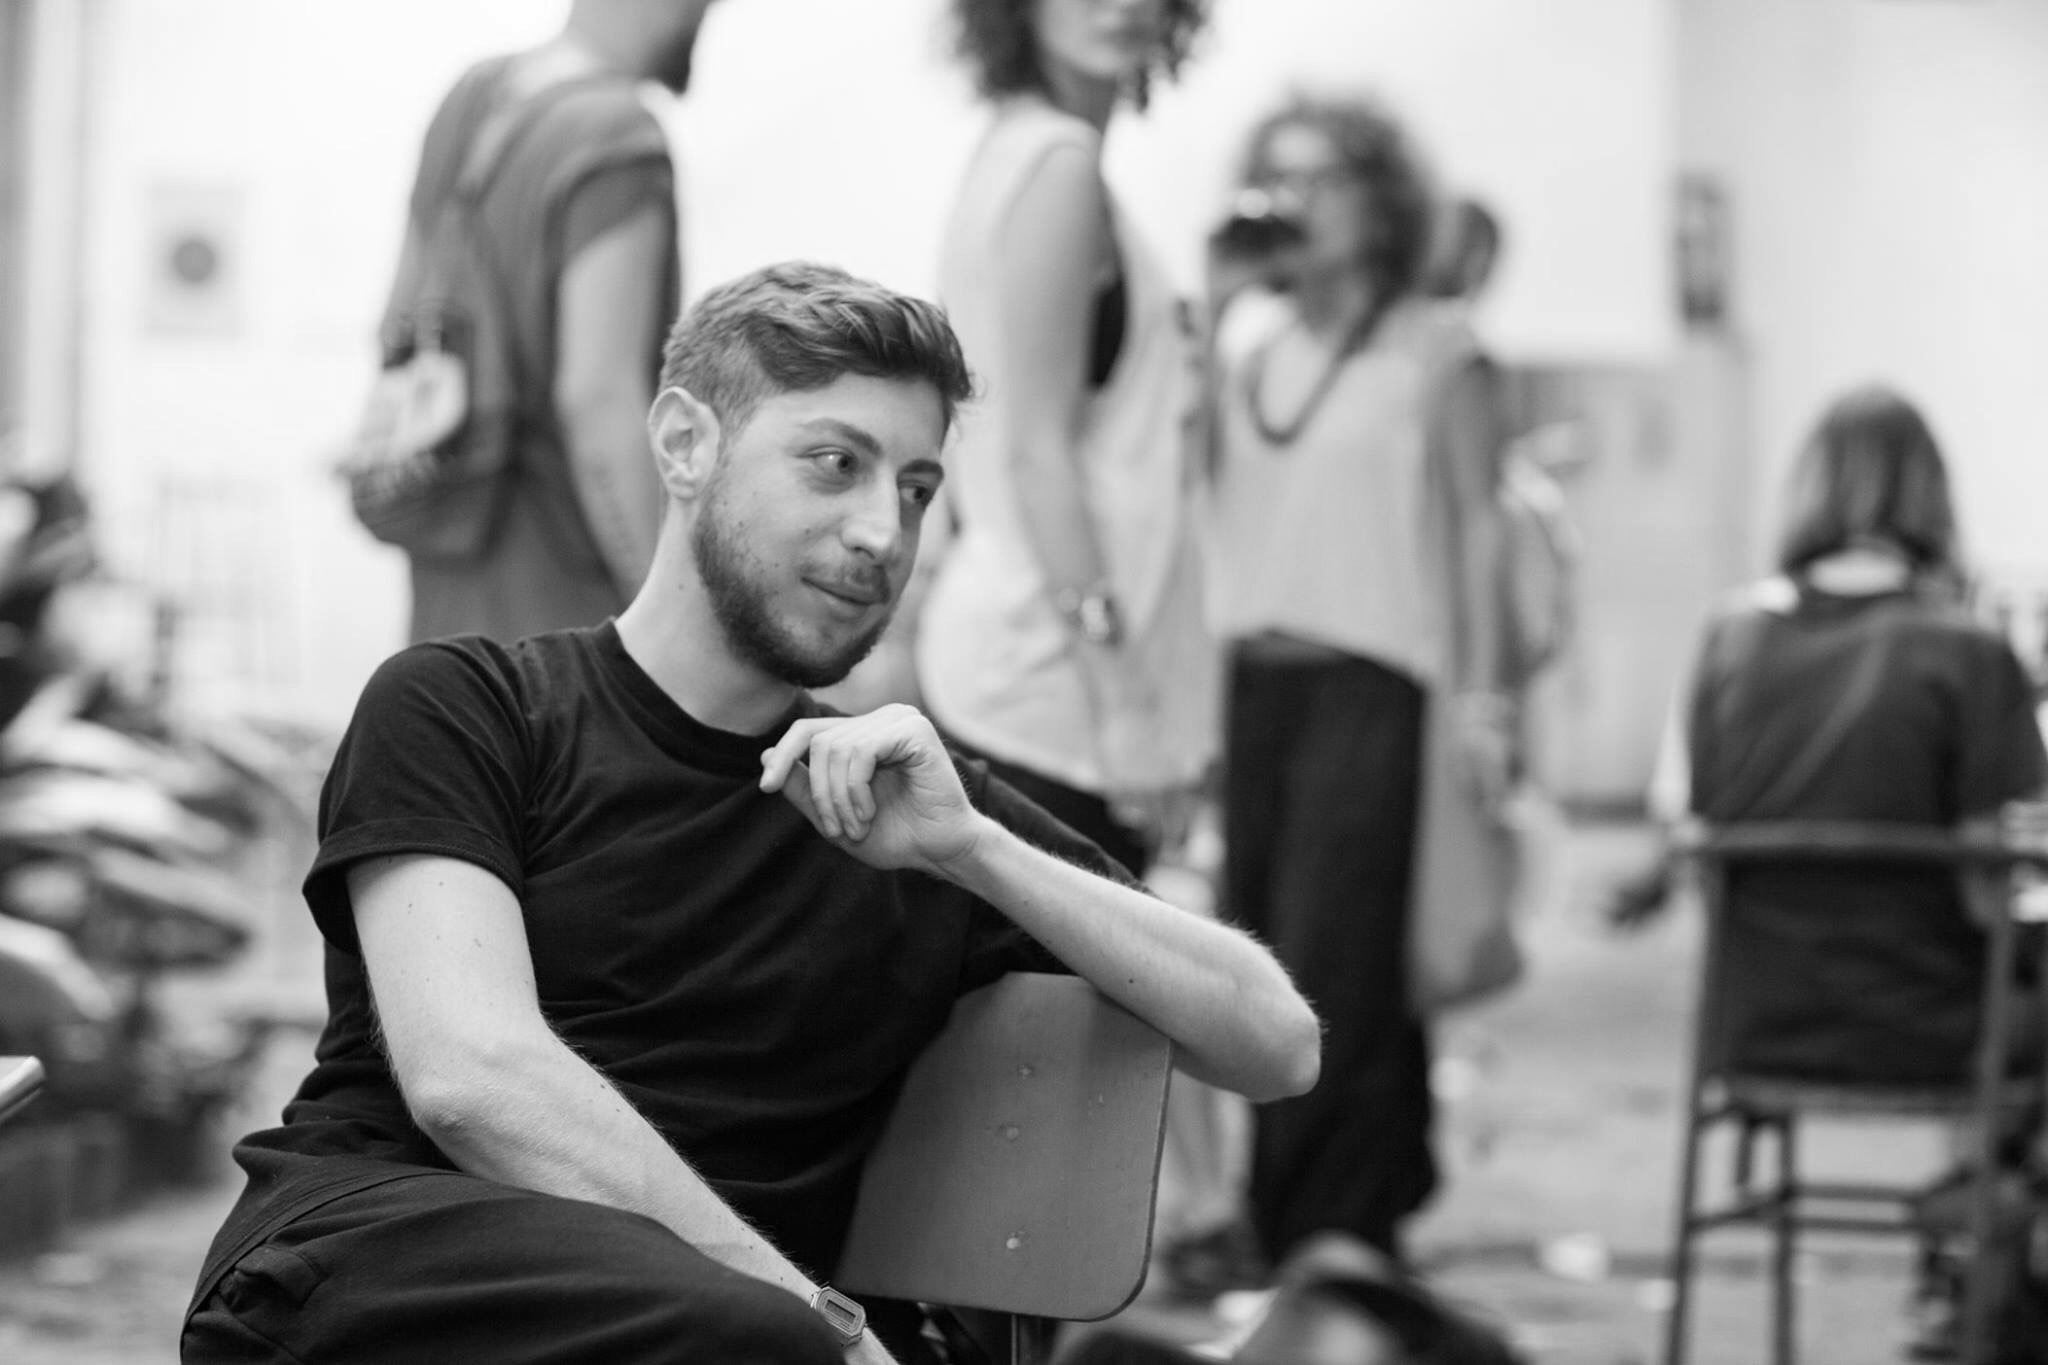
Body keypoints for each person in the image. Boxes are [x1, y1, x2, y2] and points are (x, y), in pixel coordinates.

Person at [181, 263, 1321, 1365]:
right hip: (375, 1274)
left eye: (917, 490)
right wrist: (824, 1324)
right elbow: (473, 1080)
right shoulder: (467, 706)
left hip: (714, 1336)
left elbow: (1276, 1042)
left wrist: (974, 851)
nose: (883, 533)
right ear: (686, 444)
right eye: (835, 464)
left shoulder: (910, 810)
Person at [1640, 385, 2048, 1358]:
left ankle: (1977, 1243)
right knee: (2026, 997)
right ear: (1934, 499)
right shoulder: (1968, 652)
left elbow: (1688, 826)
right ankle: (1985, 1248)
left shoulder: (1727, 635)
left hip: (1754, 1024)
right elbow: (1990, 894)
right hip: (1933, 1030)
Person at [1202, 95, 1513, 1268]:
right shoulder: (1249, 349)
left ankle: (1329, 1228)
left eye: (1322, 178)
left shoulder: (1436, 347)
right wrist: (1216, 297)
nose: (1296, 203)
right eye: (1275, 178)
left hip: (1373, 680)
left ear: (1381, 200)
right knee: (1262, 949)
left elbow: (1479, 529)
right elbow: (1174, 485)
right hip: (1252, 683)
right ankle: (1326, 1207)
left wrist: (1484, 701)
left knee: (1335, 958)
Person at [914, 0, 1217, 879]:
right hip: (1052, 683)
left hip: (1030, 663)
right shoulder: (1057, 162)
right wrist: (1124, 699)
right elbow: (1034, 451)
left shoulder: (1017, 149)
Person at [381, 0, 713, 644]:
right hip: (563, 613)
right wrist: (672, 621)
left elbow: (398, 318)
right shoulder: (619, 136)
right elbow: (598, 398)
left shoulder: (472, 98)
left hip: (448, 603)